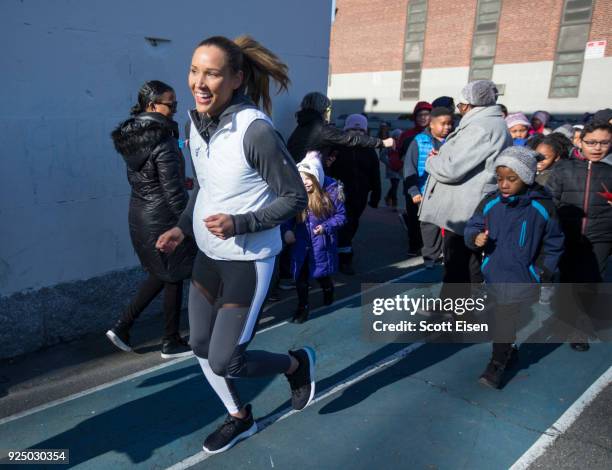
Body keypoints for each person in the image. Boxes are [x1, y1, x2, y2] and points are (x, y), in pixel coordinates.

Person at [155, 35, 315, 454]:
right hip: (208, 256)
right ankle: (240, 417)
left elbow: (295, 198)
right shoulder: (193, 124)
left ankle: (296, 363)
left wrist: (241, 222)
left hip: (249, 261)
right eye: (194, 70)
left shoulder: (255, 130)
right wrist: (182, 228)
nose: (199, 82)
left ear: (236, 78)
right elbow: (205, 190)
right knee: (200, 347)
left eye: (212, 73)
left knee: (229, 360)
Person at [106, 81, 196, 359]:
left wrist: (181, 180)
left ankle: (126, 327)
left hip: (141, 214)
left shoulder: (134, 137)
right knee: (172, 274)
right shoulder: (164, 140)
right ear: (152, 106)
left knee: (166, 274)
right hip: (164, 218)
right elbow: (171, 193)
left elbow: (149, 179)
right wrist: (187, 224)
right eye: (171, 104)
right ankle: (167, 340)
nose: (175, 109)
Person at [465, 146, 564, 388]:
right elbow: (472, 225)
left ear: (527, 178)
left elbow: (554, 242)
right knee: (500, 318)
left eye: (512, 179)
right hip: (493, 272)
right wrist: (475, 237)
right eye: (500, 179)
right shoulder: (490, 203)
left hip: (521, 275)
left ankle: (496, 365)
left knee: (504, 317)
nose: (504, 184)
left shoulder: (542, 207)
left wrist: (543, 271)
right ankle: (506, 350)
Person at [419, 80, 512, 304]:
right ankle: (459, 310)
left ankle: (452, 315)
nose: (459, 110)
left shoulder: (481, 128)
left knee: (457, 265)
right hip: (471, 203)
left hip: (465, 207)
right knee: (466, 263)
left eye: (461, 105)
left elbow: (452, 168)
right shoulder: (489, 124)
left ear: (470, 105)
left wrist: (433, 161)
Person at [546, 121, 612, 351]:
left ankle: (580, 328)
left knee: (591, 281)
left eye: (604, 142)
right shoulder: (563, 170)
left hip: (601, 237)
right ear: (579, 142)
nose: (597, 147)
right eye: (591, 142)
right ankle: (565, 318)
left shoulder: (610, 172)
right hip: (568, 235)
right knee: (567, 280)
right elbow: (551, 203)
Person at [283, 153, 346, 323]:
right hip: (301, 242)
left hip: (321, 243)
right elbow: (286, 216)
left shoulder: (331, 192)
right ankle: (302, 306)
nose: (305, 182)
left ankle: (328, 289)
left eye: (309, 178)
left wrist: (325, 227)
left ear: (317, 177)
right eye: (301, 178)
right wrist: (287, 230)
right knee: (300, 278)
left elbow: (341, 217)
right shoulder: (296, 194)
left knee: (321, 274)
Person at [328, 114, 382, 275]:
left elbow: (375, 174)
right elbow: (328, 169)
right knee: (344, 225)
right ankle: (345, 259)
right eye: (353, 128)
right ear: (346, 129)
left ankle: (341, 252)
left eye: (361, 129)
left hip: (360, 196)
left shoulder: (369, 150)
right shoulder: (338, 148)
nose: (357, 132)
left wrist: (376, 196)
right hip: (338, 195)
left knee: (351, 225)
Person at [286, 92, 394, 163]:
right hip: (306, 183)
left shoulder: (302, 126)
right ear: (322, 110)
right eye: (327, 110)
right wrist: (382, 143)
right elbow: (351, 138)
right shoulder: (320, 129)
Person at [404, 107, 453, 265]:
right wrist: (413, 190)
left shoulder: (453, 142)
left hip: (447, 192)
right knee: (429, 227)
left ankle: (446, 254)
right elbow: (409, 168)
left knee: (447, 225)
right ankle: (430, 256)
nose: (447, 127)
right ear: (431, 124)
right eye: (443, 124)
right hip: (425, 192)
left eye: (450, 124)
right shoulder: (419, 141)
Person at [380, 128, 403, 210]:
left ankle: (388, 197)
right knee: (395, 186)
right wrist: (389, 163)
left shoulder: (402, 145)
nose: (398, 138)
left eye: (399, 136)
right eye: (396, 137)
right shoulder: (389, 146)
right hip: (391, 169)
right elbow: (382, 156)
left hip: (399, 169)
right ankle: (394, 204)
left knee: (394, 186)